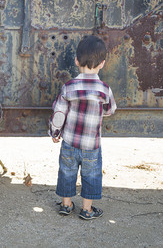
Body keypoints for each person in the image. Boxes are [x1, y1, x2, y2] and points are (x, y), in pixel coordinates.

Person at [49, 35, 116, 220]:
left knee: (67, 171)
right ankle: (87, 210)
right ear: (102, 63)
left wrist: (55, 133)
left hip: (70, 142)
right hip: (91, 145)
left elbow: (59, 113)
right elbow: (110, 110)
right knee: (91, 175)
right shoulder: (104, 89)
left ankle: (66, 204)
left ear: (76, 60)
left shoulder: (69, 87)